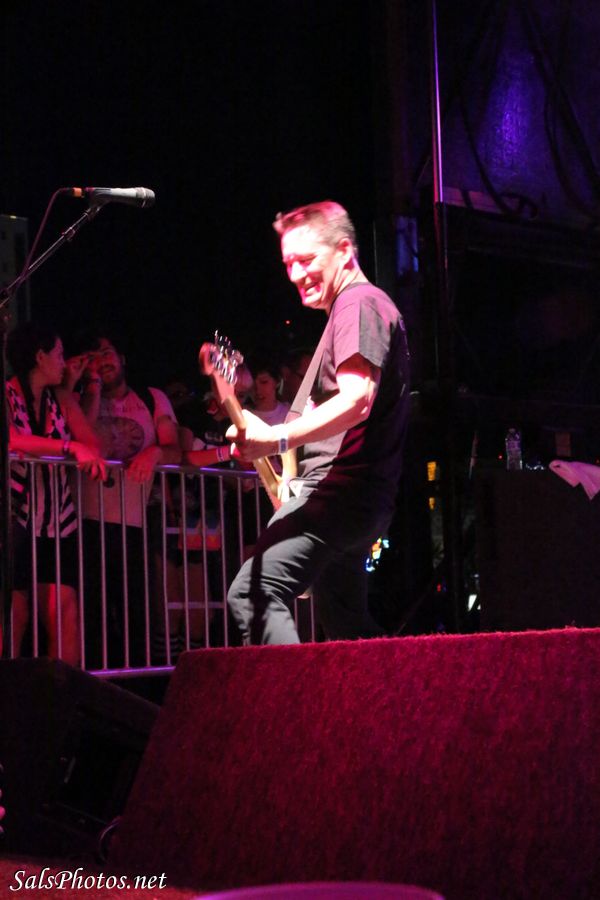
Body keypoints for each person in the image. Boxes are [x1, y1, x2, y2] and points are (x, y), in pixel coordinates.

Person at [226, 200, 410, 644]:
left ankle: (291, 695)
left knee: (253, 593)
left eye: (306, 260)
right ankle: (393, 689)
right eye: (289, 263)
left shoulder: (359, 304)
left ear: (344, 251)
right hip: (357, 499)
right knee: (347, 626)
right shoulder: (352, 309)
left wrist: (276, 438)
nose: (295, 274)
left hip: (339, 494)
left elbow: (357, 399)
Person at [72, 332, 180, 667]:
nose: (102, 362)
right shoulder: (79, 397)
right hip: (85, 521)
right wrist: (91, 387)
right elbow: (80, 434)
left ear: (122, 358)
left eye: (107, 353)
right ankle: (95, 686)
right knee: (92, 613)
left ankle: (137, 686)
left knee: (137, 612)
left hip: (134, 522)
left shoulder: (151, 398)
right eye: (94, 357)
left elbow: (176, 449)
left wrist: (154, 452)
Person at [5, 321, 106, 665]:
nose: (64, 362)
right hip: (15, 517)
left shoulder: (59, 398)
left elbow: (91, 445)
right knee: (13, 612)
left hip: (56, 521)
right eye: (59, 354)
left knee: (65, 610)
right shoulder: (7, 394)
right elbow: (12, 440)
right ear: (40, 357)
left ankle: (60, 695)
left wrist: (89, 386)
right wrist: (67, 447)